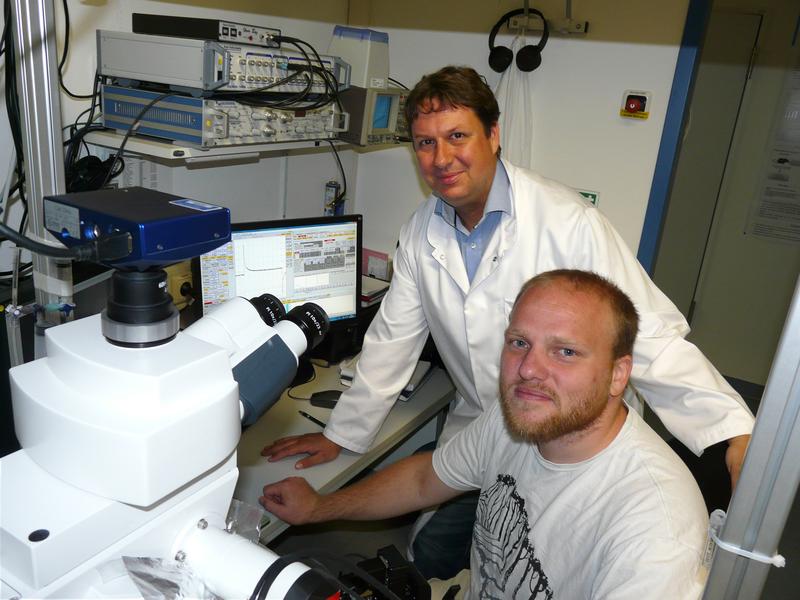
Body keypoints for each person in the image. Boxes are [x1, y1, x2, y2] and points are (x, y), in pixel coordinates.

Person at [261, 65, 753, 578]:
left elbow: (649, 336)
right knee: (436, 553)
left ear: (494, 135)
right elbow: (391, 341)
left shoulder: (567, 223)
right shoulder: (421, 231)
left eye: (457, 137)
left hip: (573, 435)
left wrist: (730, 432)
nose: (441, 158)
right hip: (485, 429)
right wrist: (341, 434)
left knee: (549, 565)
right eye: (425, 144)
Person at [260, 270, 710, 599]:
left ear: (617, 376)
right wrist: (320, 507)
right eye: (519, 343)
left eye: (566, 352)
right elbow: (423, 480)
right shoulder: (515, 421)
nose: (529, 370)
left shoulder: (657, 528)